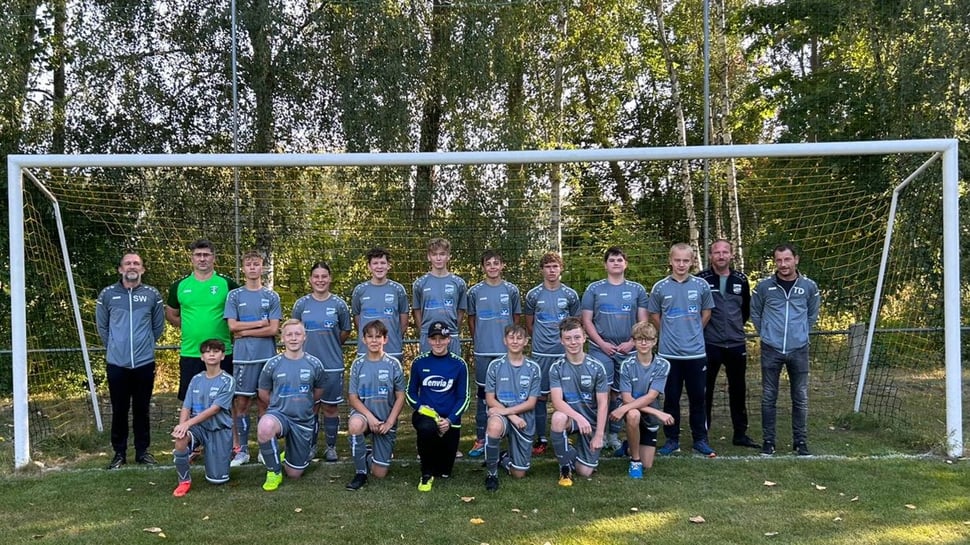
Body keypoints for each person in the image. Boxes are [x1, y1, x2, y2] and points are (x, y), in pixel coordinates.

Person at [95, 252, 166, 469]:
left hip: (144, 363)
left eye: (136, 263)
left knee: (142, 409)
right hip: (117, 364)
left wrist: (145, 345)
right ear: (120, 269)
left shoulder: (152, 295)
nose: (132, 266)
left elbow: (158, 327)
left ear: (142, 269)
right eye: (128, 263)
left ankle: (142, 452)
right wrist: (116, 346)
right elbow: (103, 327)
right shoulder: (107, 294)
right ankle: (119, 453)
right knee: (119, 409)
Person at [751, 243, 820, 456]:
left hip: (799, 349)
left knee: (800, 396)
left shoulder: (809, 286)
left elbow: (812, 314)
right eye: (779, 260)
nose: (783, 264)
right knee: (768, 396)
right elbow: (755, 312)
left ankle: (800, 442)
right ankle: (768, 442)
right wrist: (766, 333)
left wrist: (801, 333)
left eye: (787, 259)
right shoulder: (764, 287)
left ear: (796, 260)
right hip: (771, 349)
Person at [648, 243, 716, 457]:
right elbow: (654, 315)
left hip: (696, 353)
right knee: (671, 398)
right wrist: (668, 332)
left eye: (686, 260)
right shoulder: (660, 287)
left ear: (692, 261)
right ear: (670, 261)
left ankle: (700, 439)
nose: (681, 264)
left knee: (698, 398)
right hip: (669, 354)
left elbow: (707, 313)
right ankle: (672, 439)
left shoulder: (701, 285)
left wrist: (694, 331)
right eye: (677, 260)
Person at [580, 246, 649, 451]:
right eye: (612, 260)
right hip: (601, 348)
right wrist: (602, 343)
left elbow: (643, 321)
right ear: (605, 265)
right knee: (602, 391)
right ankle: (596, 431)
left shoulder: (637, 289)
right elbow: (586, 320)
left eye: (620, 260)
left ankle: (613, 434)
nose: (616, 263)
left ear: (626, 264)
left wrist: (632, 342)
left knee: (621, 393)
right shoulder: (594, 289)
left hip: (628, 349)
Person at [697, 239, 758, 448]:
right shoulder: (701, 280)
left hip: (736, 344)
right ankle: (702, 435)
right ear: (710, 255)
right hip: (709, 344)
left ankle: (740, 434)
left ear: (732, 255)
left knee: (738, 389)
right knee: (705, 390)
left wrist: (734, 328)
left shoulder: (741, 279)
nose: (721, 256)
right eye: (717, 252)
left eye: (725, 252)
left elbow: (745, 310)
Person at [224, 251, 282, 467]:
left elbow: (273, 329)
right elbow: (232, 326)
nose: (252, 268)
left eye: (256, 264)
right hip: (243, 359)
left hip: (267, 359)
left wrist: (246, 331)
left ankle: (264, 449)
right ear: (243, 268)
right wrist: (260, 324)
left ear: (262, 268)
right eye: (248, 264)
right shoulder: (234, 296)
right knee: (242, 403)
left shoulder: (271, 296)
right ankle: (242, 451)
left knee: (265, 402)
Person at [256, 319, 326, 491]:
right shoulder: (272, 364)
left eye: (297, 334)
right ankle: (274, 472)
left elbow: (318, 391)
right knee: (265, 426)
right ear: (282, 338)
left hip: (302, 421)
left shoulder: (315, 364)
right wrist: (279, 405)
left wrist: (303, 404)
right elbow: (263, 392)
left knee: (294, 474)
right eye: (289, 334)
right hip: (279, 415)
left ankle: (289, 452)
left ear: (304, 337)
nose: (293, 338)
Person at [292, 261, 352, 463]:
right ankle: (311, 447)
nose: (320, 280)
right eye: (316, 276)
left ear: (330, 278)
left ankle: (331, 447)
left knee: (330, 408)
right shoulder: (301, 305)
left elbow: (345, 332)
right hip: (306, 366)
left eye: (324, 276)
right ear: (310, 279)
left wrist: (330, 345)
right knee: (310, 408)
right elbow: (295, 331)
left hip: (332, 365)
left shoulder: (339, 305)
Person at [166, 239, 239, 400]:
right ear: (192, 258)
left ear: (214, 258)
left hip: (221, 353)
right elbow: (171, 314)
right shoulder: (179, 285)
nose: (202, 258)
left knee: (225, 400)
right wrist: (190, 327)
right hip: (191, 352)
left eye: (206, 255)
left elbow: (241, 312)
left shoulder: (227, 284)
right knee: (191, 400)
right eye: (198, 255)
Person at [524, 252, 581, 455]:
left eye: (555, 266)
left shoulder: (570, 295)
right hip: (541, 354)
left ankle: (565, 433)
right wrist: (542, 340)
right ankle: (541, 438)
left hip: (564, 354)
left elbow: (575, 324)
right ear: (542, 270)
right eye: (547, 266)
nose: (551, 270)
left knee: (566, 395)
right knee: (540, 397)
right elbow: (529, 324)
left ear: (561, 268)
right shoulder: (533, 295)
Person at [466, 249, 521, 458]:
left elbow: (516, 319)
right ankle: (481, 438)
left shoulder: (511, 290)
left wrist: (512, 344)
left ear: (502, 265)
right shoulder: (474, 291)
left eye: (496, 263)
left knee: (510, 392)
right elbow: (471, 320)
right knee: (483, 395)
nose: (492, 267)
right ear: (483, 267)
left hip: (506, 352)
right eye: (488, 263)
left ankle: (514, 436)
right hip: (483, 352)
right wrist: (479, 340)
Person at [406, 321, 470, 492]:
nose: (438, 342)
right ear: (428, 340)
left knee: (444, 471)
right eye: (434, 339)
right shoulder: (419, 362)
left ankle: (437, 461)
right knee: (427, 428)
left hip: (449, 420)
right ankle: (425, 474)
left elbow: (464, 398)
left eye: (442, 338)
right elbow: (410, 393)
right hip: (426, 416)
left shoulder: (459, 364)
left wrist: (449, 420)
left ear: (449, 339)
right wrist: (423, 409)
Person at [344, 320, 407, 491]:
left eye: (378, 336)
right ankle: (360, 473)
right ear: (363, 339)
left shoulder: (393, 364)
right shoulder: (358, 364)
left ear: (385, 339)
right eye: (370, 336)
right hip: (364, 417)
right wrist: (370, 418)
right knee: (355, 424)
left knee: (379, 473)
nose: (374, 340)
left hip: (385, 421)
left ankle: (367, 453)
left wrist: (389, 422)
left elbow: (401, 396)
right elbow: (353, 397)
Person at [548, 317, 610, 487]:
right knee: (558, 417)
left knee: (584, 472)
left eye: (577, 337)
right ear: (561, 341)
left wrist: (599, 435)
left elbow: (603, 404)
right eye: (568, 338)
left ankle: (569, 450)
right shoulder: (557, 367)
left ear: (584, 338)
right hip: (572, 419)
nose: (573, 342)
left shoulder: (597, 367)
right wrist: (579, 418)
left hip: (591, 422)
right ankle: (564, 468)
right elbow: (557, 401)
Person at [171, 339, 235, 497]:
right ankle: (184, 481)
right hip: (198, 428)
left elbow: (215, 409)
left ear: (223, 356)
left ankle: (220, 456)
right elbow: (186, 406)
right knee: (180, 440)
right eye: (207, 352)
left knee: (217, 480)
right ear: (202, 357)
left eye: (216, 351)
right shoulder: (196, 379)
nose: (211, 354)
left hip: (218, 429)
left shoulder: (228, 380)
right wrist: (181, 427)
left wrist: (187, 424)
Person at [610, 322, 674, 479]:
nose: (644, 343)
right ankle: (635, 461)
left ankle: (628, 447)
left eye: (648, 339)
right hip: (630, 406)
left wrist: (653, 412)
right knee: (633, 414)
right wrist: (659, 413)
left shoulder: (663, 365)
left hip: (647, 407)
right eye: (639, 339)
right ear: (633, 341)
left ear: (655, 341)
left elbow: (651, 397)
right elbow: (626, 398)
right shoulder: (626, 365)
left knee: (648, 464)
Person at [482, 324, 541, 492]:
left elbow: (531, 403)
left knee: (519, 474)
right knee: (494, 426)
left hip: (524, 419)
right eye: (511, 337)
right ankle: (492, 474)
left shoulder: (533, 368)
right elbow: (490, 399)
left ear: (526, 341)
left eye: (519, 338)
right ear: (505, 341)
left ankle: (503, 459)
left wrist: (508, 412)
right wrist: (511, 416)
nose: (515, 341)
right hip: (504, 416)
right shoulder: (495, 365)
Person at [351, 247, 410, 363]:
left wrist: (393, 337)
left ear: (388, 265)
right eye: (375, 263)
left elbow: (404, 322)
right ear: (369, 266)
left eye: (383, 263)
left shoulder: (398, 289)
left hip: (393, 350)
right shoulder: (359, 291)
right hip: (366, 351)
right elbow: (358, 320)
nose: (379, 266)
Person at [412, 237, 467, 355]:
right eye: (434, 254)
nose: (438, 258)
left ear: (448, 256)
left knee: (452, 366)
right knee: (428, 367)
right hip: (428, 335)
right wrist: (424, 330)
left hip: (451, 334)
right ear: (429, 257)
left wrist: (454, 328)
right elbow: (416, 310)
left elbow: (461, 310)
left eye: (442, 254)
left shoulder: (459, 283)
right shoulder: (420, 283)